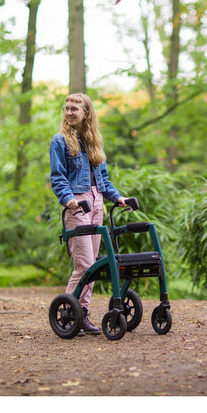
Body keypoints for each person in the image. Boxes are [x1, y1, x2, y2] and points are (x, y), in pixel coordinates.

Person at [49, 93, 128, 335]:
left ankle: (79, 313)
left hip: (96, 202)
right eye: (66, 108)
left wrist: (117, 197)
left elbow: (103, 179)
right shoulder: (59, 141)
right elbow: (57, 177)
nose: (69, 112)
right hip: (77, 203)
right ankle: (73, 314)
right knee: (85, 265)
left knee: (90, 265)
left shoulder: (94, 141)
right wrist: (68, 199)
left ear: (86, 113)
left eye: (74, 109)